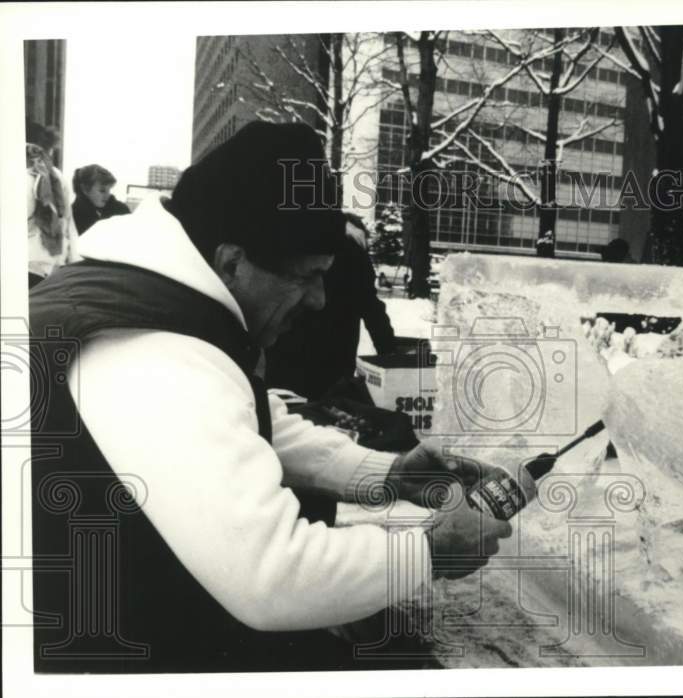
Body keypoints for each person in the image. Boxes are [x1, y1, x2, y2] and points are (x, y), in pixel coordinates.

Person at [29, 122, 511, 674]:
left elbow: (248, 418)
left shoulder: (154, 296)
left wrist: (387, 473)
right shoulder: (151, 354)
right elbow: (271, 574)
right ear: (233, 261)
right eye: (306, 276)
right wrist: (431, 553)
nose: (320, 300)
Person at [266, 212, 396, 401]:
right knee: (328, 412)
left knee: (285, 411)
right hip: (335, 353)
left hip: (288, 347)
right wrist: (388, 350)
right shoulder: (355, 253)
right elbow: (372, 308)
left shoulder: (298, 244)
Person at [26, 123, 79, 287]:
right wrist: (73, 261)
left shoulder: (23, 177)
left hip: (28, 263)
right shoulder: (57, 175)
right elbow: (68, 224)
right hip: (53, 264)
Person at [71, 163, 131, 234]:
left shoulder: (121, 210)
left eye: (109, 190)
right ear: (85, 189)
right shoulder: (72, 217)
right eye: (102, 191)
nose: (107, 195)